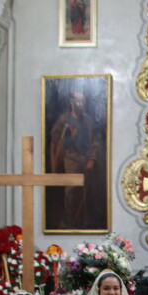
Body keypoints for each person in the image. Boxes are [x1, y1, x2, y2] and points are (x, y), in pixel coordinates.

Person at [48, 87, 103, 230]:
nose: (81, 104)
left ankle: (82, 225)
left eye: (83, 101)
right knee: (72, 194)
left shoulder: (88, 121)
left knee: (87, 196)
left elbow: (94, 143)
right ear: (72, 102)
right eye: (78, 101)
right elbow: (55, 141)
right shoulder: (64, 120)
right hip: (70, 161)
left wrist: (92, 159)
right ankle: (68, 224)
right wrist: (69, 138)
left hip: (85, 162)